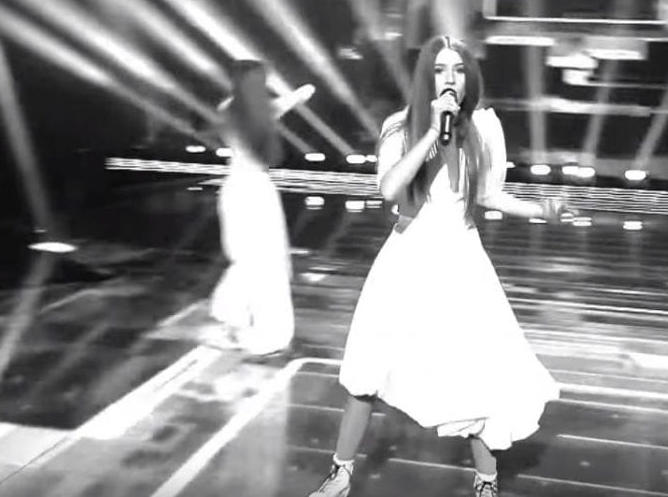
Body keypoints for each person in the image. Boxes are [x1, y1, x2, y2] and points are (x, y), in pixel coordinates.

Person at [308, 36, 566, 497]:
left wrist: (540, 210)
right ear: (426, 77)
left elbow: (489, 195)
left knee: (475, 371)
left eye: (459, 70)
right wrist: (431, 133)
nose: (451, 79)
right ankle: (340, 474)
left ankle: (486, 481)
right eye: (441, 69)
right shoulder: (399, 126)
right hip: (407, 258)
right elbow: (388, 189)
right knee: (369, 367)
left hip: (461, 261)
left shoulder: (483, 127)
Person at [206, 58, 314, 356]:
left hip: (248, 188)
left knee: (259, 259)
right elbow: (273, 111)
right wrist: (298, 95)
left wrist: (298, 95)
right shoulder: (237, 110)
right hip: (248, 190)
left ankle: (236, 320)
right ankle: (248, 325)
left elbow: (279, 106)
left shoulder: (241, 109)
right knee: (258, 260)